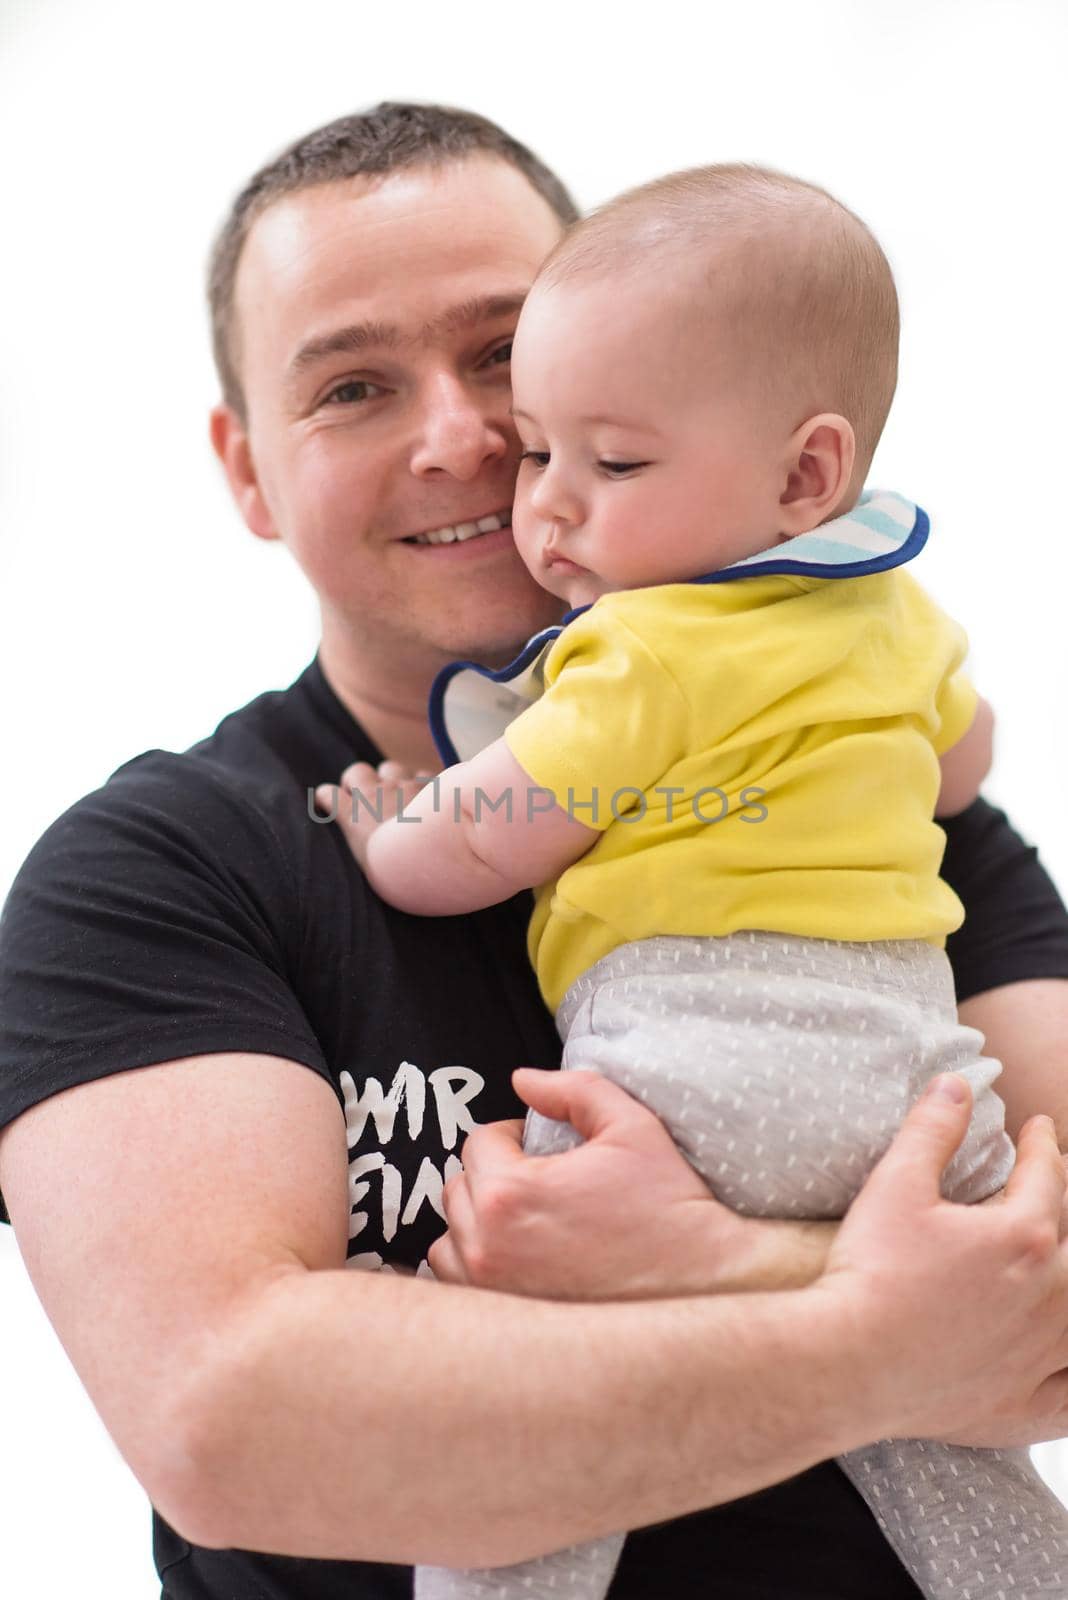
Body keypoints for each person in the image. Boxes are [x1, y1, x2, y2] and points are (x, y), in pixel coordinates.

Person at [1, 104, 1068, 1600]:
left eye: (503, 355)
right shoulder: (158, 872)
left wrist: (698, 1261)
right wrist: (879, 1328)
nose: (465, 438)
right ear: (248, 471)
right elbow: (236, 1423)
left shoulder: (897, 813)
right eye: (355, 385)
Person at [323, 161, 1068, 1600]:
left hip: (693, 1070)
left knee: (530, 1414)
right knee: (956, 1446)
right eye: (542, 454)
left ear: (803, 472)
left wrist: (390, 839)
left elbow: (490, 835)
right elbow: (964, 761)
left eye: (612, 463)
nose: (550, 508)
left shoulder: (639, 648)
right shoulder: (896, 604)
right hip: (923, 1086)